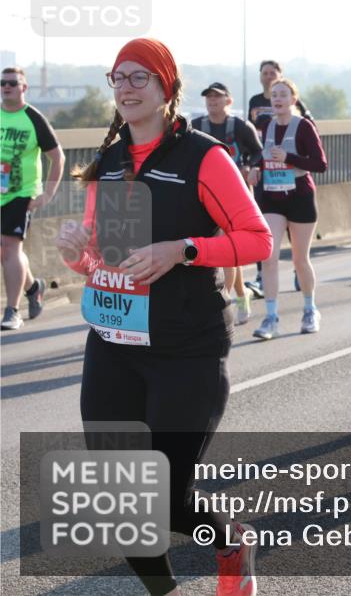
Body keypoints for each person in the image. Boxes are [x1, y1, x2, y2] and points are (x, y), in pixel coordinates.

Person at [54, 38, 272, 596]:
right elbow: (103, 258)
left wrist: (184, 250)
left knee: (167, 495)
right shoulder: (111, 160)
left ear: (166, 88)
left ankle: (231, 542)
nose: (126, 88)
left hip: (186, 347)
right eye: (118, 78)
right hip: (114, 343)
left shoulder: (204, 156)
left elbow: (256, 240)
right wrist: (76, 251)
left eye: (139, 78)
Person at [247, 78, 327, 339]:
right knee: (268, 257)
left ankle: (309, 309)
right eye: (274, 96)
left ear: (293, 100)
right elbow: (263, 155)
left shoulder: (303, 127)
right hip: (272, 197)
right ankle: (271, 318)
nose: (278, 99)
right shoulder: (265, 125)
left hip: (299, 195)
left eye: (283, 95)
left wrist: (289, 158)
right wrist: (256, 170)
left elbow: (320, 164)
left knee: (299, 259)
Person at [191, 82, 264, 326]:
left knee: (229, 251)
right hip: (207, 197)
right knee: (229, 254)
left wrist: (249, 166)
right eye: (208, 97)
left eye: (217, 97)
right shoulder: (197, 126)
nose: (212, 101)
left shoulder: (240, 126)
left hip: (237, 197)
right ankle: (240, 299)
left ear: (228, 101)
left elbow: (258, 152)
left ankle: (225, 302)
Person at [1, 66, 64, 330]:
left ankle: (12, 311)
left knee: (8, 246)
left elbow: (57, 156)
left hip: (21, 193)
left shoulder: (33, 118)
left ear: (24, 88)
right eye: (2, 83)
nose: (6, 87)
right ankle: (33, 286)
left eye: (12, 83)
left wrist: (47, 193)